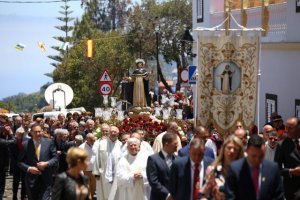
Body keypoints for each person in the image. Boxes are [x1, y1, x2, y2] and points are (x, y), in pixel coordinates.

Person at [225, 135, 284, 200]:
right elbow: (230, 196)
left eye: (261, 156)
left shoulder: (273, 168)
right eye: (253, 156)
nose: (257, 160)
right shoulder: (235, 169)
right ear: (247, 151)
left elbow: (278, 196)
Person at [18, 124, 58, 200]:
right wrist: (29, 168)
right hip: (31, 180)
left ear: (42, 131)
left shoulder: (49, 142)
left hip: (46, 178)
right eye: (35, 132)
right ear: (31, 133)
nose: (38, 134)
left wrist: (47, 163)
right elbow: (20, 162)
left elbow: (55, 158)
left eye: (39, 131)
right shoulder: (25, 145)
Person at [201, 135, 244, 200]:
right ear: (223, 149)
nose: (232, 151)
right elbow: (204, 194)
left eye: (235, 149)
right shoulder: (212, 170)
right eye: (229, 148)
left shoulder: (244, 172)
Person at [93, 125, 122, 200]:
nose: (113, 133)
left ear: (118, 133)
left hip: (116, 174)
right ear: (108, 133)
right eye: (111, 131)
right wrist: (96, 172)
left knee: (115, 194)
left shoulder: (121, 145)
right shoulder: (102, 143)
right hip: (103, 172)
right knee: (103, 194)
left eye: (114, 132)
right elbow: (97, 158)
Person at [146, 133, 178, 200]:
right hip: (159, 197)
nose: (177, 146)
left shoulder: (177, 159)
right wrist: (167, 194)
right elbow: (153, 180)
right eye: (175, 143)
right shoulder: (153, 159)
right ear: (167, 144)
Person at [275, 117, 300, 200]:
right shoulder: (282, 145)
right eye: (286, 127)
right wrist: (291, 171)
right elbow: (276, 169)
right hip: (293, 192)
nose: (286, 130)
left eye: (290, 128)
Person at [10, 127, 28, 200]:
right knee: (16, 181)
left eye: (22, 134)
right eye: (19, 134)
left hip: (24, 164)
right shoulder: (13, 142)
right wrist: (17, 163)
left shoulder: (26, 142)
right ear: (16, 134)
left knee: (24, 181)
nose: (21, 135)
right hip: (16, 164)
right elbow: (11, 155)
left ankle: (23, 195)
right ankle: (14, 195)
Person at [0, 122, 16, 200]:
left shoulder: (3, 137)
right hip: (1, 166)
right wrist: (11, 133)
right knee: (1, 186)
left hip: (3, 166)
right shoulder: (1, 140)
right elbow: (13, 141)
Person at [79, 133, 97, 199]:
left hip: (94, 171)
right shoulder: (81, 147)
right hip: (85, 171)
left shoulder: (95, 145)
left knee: (93, 189)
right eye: (91, 139)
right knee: (87, 188)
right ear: (87, 139)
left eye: (94, 139)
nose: (93, 141)